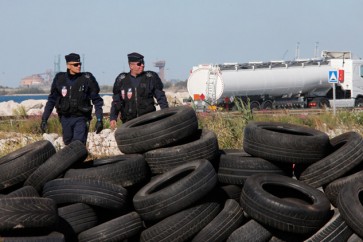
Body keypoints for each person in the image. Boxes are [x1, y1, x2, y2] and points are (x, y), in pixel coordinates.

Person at [40, 53, 104, 145]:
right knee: (68, 144)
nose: (79, 66)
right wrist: (44, 119)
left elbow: (97, 101)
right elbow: (51, 100)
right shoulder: (60, 79)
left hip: (81, 117)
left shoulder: (87, 79)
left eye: (79, 64)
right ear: (68, 65)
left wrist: (99, 120)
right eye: (75, 64)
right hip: (65, 118)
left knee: (78, 144)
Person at [110, 52, 169, 128]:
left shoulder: (150, 78)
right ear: (131, 65)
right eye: (139, 64)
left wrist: (166, 113)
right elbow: (116, 101)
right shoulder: (122, 80)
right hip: (128, 121)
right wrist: (113, 118)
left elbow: (161, 98)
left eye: (143, 63)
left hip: (148, 120)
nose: (142, 65)